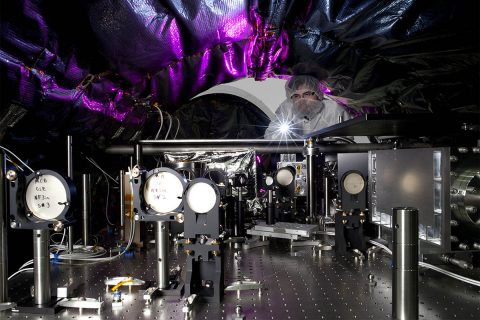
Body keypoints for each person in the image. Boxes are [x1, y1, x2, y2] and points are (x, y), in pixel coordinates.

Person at [264, 64, 353, 140]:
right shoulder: (286, 108)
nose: (301, 100)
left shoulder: (334, 110)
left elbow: (347, 143)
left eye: (307, 94)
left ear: (319, 94)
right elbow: (270, 137)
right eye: (296, 96)